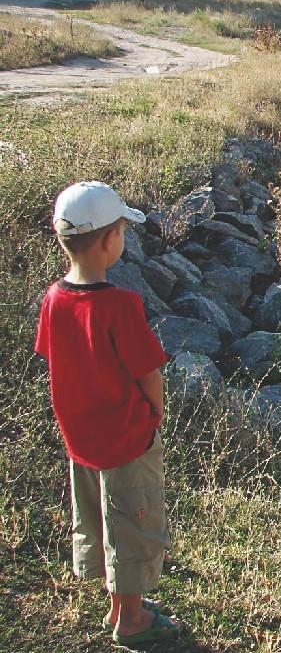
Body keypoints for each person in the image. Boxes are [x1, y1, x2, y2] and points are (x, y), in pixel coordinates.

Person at [34, 181, 183, 645]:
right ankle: (132, 620)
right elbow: (148, 373)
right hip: (126, 437)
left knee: (100, 516)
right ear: (108, 240)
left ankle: (117, 605)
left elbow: (53, 355)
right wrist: (156, 413)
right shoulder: (120, 305)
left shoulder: (53, 298)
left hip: (81, 438)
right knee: (134, 522)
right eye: (122, 230)